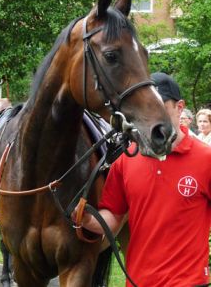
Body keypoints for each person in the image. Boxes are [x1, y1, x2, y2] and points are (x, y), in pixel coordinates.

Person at [73, 72, 211, 286]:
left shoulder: (206, 159)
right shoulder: (126, 161)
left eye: (159, 106)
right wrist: (86, 218)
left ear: (180, 107)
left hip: (188, 282)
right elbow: (113, 218)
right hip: (139, 281)